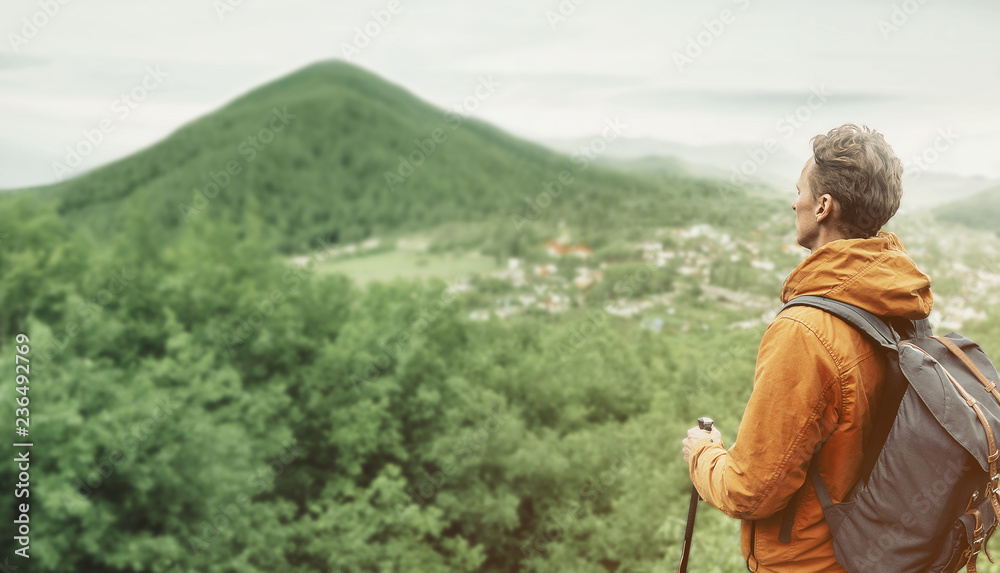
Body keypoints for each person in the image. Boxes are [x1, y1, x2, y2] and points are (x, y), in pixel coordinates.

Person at [680, 124, 934, 572]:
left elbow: (750, 489)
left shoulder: (806, 331)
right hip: (878, 551)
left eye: (799, 191)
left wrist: (703, 452)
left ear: (822, 206)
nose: (793, 202)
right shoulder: (900, 302)